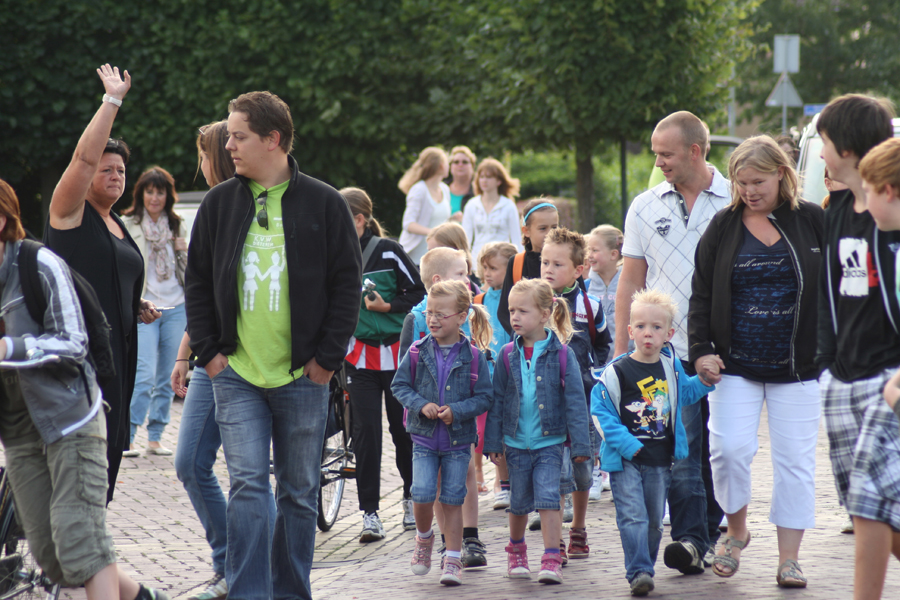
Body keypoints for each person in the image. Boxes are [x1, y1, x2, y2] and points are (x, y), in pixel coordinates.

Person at [184, 91, 361, 600]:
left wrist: (326, 361)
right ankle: (247, 593)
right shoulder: (219, 203)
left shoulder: (324, 202)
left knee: (300, 494)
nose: (229, 146)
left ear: (273, 139)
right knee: (247, 487)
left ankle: (290, 593)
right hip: (234, 374)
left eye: (238, 136)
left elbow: (347, 285)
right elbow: (197, 280)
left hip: (303, 376)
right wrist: (211, 355)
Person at [0, 178, 169, 600]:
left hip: (72, 417)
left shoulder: (38, 264)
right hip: (20, 432)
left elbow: (75, 341)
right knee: (52, 556)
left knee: (81, 543)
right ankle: (145, 598)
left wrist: (9, 346)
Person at [689, 135, 824, 587]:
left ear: (782, 175)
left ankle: (789, 557)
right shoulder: (723, 227)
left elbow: (838, 289)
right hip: (735, 366)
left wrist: (833, 350)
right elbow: (701, 295)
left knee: (795, 462)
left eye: (758, 181)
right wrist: (701, 351)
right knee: (728, 450)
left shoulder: (812, 221)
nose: (749, 191)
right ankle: (737, 530)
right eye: (741, 182)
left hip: (799, 368)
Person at [615, 111, 730, 573]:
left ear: (695, 151)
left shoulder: (735, 200)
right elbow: (631, 280)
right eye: (654, 152)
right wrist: (624, 347)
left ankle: (710, 527)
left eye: (665, 153)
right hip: (664, 352)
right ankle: (691, 540)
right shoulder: (644, 205)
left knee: (720, 451)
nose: (657, 160)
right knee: (683, 450)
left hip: (723, 350)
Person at [46, 64, 160, 504]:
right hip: (80, 364)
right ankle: (78, 558)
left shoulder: (118, 224)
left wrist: (135, 304)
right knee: (81, 470)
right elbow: (83, 158)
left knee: (107, 464)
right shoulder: (70, 213)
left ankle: (84, 555)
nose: (115, 175)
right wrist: (111, 100)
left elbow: (105, 278)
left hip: (118, 362)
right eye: (107, 169)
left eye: (121, 170)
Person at [171, 120, 275, 600]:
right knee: (194, 462)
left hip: (233, 361)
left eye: (204, 154)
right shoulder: (216, 209)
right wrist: (187, 354)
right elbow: (201, 293)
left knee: (243, 475)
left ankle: (242, 568)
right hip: (211, 358)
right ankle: (231, 562)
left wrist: (203, 358)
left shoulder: (248, 208)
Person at [813, 94, 900, 600]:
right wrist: (826, 365)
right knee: (866, 506)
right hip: (843, 376)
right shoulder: (839, 208)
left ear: (845, 145)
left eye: (823, 141)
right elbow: (828, 296)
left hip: (887, 378)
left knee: (871, 503)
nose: (820, 152)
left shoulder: (889, 210)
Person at [592, 289, 715, 597]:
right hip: (626, 460)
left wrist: (703, 382)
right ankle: (639, 571)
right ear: (630, 330)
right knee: (632, 516)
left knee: (654, 522)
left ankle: (644, 562)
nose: (649, 333)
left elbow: (683, 396)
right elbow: (601, 413)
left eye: (657, 328)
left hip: (661, 460)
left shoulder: (670, 368)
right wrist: (627, 444)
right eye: (642, 326)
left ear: (669, 333)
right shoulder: (616, 372)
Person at [485, 278, 591, 585]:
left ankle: (551, 557)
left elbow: (575, 401)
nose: (515, 317)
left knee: (549, 498)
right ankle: (516, 551)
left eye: (523, 311)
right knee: (518, 502)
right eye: (511, 310)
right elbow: (498, 401)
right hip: (515, 443)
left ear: (545, 314)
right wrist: (493, 441)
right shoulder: (506, 354)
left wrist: (582, 445)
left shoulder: (562, 354)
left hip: (551, 442)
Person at [391, 280, 493, 586]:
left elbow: (485, 397)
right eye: (430, 313)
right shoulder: (415, 351)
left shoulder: (474, 356)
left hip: (458, 442)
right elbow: (399, 386)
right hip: (423, 438)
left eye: (441, 314)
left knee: (452, 497)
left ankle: (452, 558)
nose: (433, 319)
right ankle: (424, 538)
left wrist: (458, 410)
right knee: (421, 492)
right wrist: (421, 405)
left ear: (462, 316)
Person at [342, 187, 425, 541]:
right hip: (357, 357)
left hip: (395, 356)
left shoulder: (390, 252)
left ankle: (409, 497)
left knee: (402, 430)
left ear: (359, 220)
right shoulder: (336, 253)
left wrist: (386, 307)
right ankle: (369, 514)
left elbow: (419, 293)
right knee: (364, 435)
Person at [540, 227, 611, 560]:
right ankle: (554, 542)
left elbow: (603, 345)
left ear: (579, 269)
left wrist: (593, 376)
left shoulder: (589, 305)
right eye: (545, 263)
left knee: (581, 468)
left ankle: (579, 529)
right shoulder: (533, 302)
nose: (549, 270)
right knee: (552, 470)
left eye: (557, 264)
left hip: (582, 402)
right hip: (543, 403)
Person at [122, 166, 187, 457]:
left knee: (167, 377)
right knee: (144, 374)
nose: (155, 197)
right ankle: (130, 435)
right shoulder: (128, 223)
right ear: (141, 193)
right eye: (150, 191)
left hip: (177, 307)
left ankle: (156, 436)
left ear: (167, 195)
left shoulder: (177, 225)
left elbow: (188, 265)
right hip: (145, 308)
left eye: (160, 191)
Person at [473, 241, 518, 506]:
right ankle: (503, 484)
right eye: (485, 268)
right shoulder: (479, 300)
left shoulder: (517, 295)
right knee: (494, 431)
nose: (487, 273)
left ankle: (516, 481)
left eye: (494, 268)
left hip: (513, 373)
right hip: (488, 376)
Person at [497, 199, 560, 335]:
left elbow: (579, 303)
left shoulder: (566, 261)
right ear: (526, 231)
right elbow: (504, 311)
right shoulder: (516, 263)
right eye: (543, 228)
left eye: (554, 227)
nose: (550, 233)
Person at [461, 158, 524, 258]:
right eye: (481, 177)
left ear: (499, 181)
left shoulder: (508, 206)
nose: (484, 180)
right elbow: (465, 239)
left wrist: (520, 263)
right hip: (477, 262)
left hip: (503, 261)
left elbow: (516, 238)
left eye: (489, 177)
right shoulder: (471, 205)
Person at [399, 147, 451, 264]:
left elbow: (439, 221)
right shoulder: (419, 189)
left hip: (437, 256)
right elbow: (408, 224)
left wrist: (453, 219)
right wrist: (434, 232)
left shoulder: (445, 189)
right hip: (416, 258)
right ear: (442, 165)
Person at [586, 224, 624, 364]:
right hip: (595, 365)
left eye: (595, 250)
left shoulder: (630, 287)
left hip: (625, 361)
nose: (589, 255)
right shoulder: (585, 287)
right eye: (588, 250)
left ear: (613, 254)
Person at [426, 222, 482, 291]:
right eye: (429, 252)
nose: (430, 257)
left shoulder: (472, 288)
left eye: (436, 252)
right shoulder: (426, 283)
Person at [447, 146, 477, 222]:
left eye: (465, 162)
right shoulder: (441, 189)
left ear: (472, 167)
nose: (460, 165)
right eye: (456, 162)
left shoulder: (478, 191)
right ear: (450, 167)